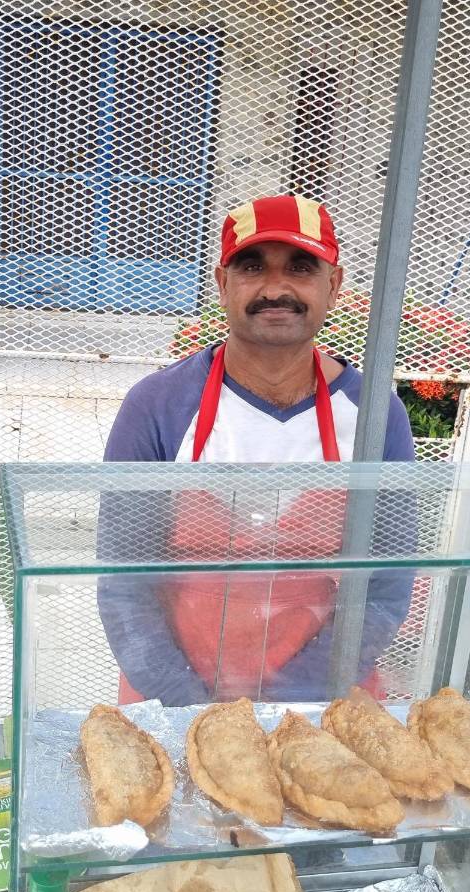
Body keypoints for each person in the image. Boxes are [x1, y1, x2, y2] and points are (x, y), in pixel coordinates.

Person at [97, 194, 416, 705]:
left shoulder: (376, 416)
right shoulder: (158, 406)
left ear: (332, 285)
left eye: (300, 268)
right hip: (173, 698)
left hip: (324, 698)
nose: (275, 288)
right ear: (223, 284)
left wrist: (294, 700)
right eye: (251, 267)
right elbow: (122, 584)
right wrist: (190, 706)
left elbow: (386, 586)